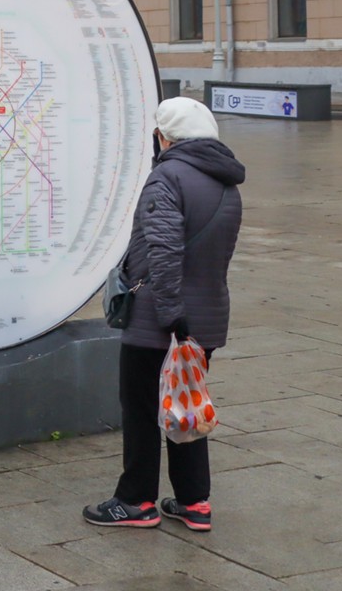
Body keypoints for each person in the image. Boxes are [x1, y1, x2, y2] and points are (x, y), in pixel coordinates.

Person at [84, 97, 244, 533]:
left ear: (165, 137)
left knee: (141, 407)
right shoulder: (227, 182)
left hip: (159, 320)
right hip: (207, 317)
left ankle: (135, 501)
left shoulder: (167, 177)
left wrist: (172, 316)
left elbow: (165, 251)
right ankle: (194, 502)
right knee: (186, 402)